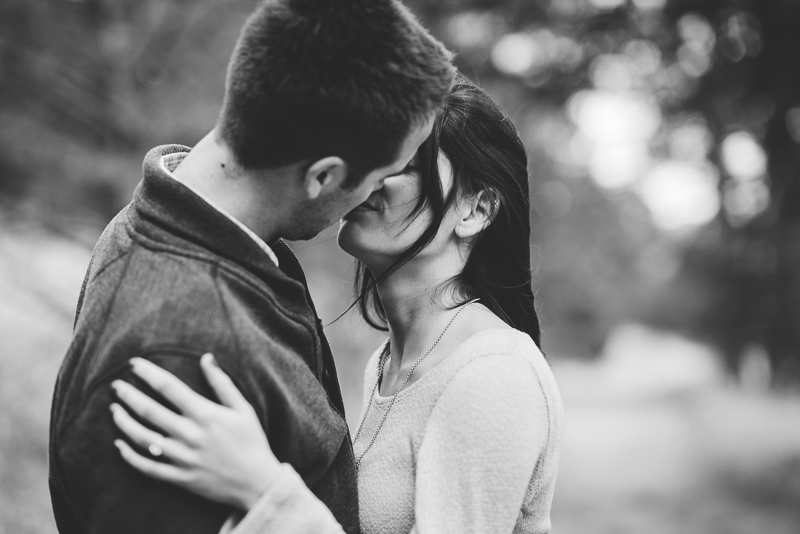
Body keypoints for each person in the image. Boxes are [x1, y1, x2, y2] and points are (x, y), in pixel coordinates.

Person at [48, 0, 455, 532]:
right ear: (323, 177)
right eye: (379, 175)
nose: (376, 195)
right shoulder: (183, 355)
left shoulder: (198, 225)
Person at [108, 75, 564, 534]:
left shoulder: (491, 376)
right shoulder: (387, 365)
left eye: (402, 162)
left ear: (475, 211)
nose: (362, 177)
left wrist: (262, 489)